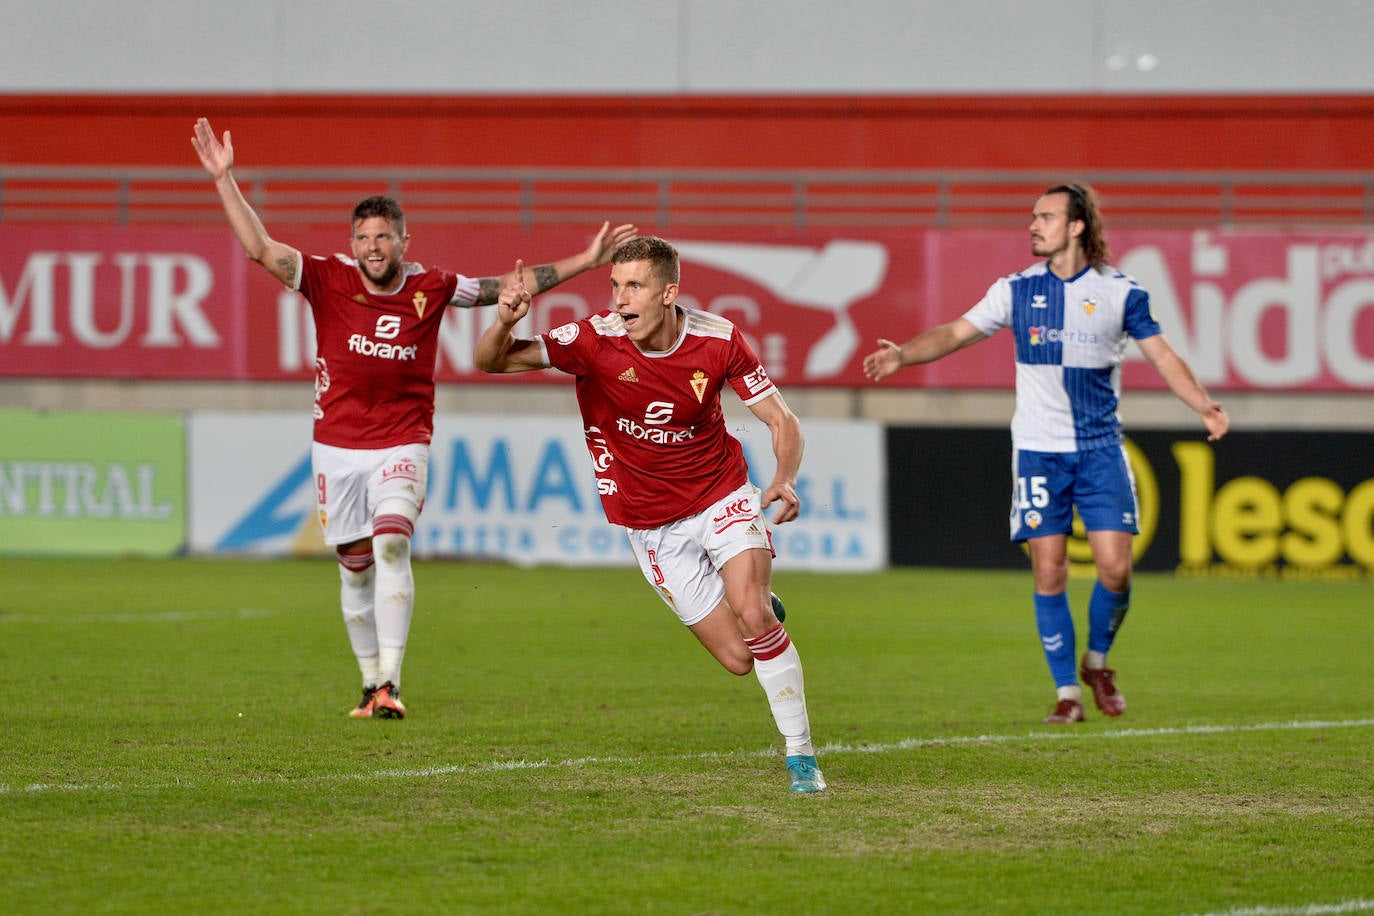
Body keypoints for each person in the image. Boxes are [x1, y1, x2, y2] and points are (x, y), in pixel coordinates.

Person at [191, 117, 636, 720]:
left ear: (404, 240)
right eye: (364, 238)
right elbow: (260, 249)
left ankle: (391, 684)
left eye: (384, 237)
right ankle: (370, 682)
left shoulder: (433, 286)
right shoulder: (328, 279)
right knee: (352, 570)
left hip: (403, 441)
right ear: (353, 244)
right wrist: (225, 180)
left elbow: (503, 285)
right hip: (337, 447)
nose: (373, 247)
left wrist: (585, 260)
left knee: (393, 545)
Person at [862, 183, 1229, 724]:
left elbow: (1164, 355)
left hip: (1100, 451)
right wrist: (905, 356)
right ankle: (1067, 693)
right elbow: (957, 332)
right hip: (1038, 453)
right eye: (1033, 217)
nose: (1033, 225)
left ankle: (1097, 663)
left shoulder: (1121, 293)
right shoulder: (1015, 290)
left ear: (1077, 225)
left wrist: (1203, 405)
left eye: (1046, 217)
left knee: (1116, 569)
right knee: (1049, 572)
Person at [474, 236, 826, 793]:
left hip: (721, 494)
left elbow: (783, 421)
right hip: (650, 524)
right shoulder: (594, 340)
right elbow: (491, 361)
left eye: (633, 286)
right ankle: (750, 601)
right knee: (739, 659)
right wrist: (503, 323)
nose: (619, 299)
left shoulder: (719, 339)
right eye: (615, 285)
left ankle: (800, 754)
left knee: (753, 614)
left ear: (669, 293)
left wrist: (783, 478)